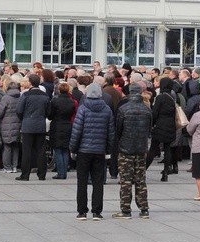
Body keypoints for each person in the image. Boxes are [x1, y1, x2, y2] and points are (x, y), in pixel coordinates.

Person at [69, 83, 115, 221]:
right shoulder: (107, 110)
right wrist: (108, 149)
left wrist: (73, 148)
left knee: (82, 182)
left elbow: (77, 131)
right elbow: (110, 132)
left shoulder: (83, 109)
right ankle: (97, 211)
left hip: (84, 150)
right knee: (98, 182)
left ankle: (82, 211)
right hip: (99, 150)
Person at [113, 82, 152, 219]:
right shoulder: (147, 109)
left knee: (126, 180)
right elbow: (149, 130)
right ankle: (144, 209)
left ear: (129, 92)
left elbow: (118, 129)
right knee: (141, 180)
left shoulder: (123, 109)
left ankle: (125, 210)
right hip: (141, 148)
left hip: (125, 148)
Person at [16, 74, 50, 181]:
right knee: (41, 150)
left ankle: (25, 175)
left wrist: (24, 118)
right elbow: (49, 112)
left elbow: (19, 110)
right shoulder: (45, 96)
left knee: (27, 150)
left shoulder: (25, 95)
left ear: (30, 83)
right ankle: (42, 174)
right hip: (40, 125)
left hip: (27, 125)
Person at [145, 78, 177, 182]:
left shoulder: (161, 97)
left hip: (160, 125)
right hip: (171, 125)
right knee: (167, 149)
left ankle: (143, 170)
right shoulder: (173, 97)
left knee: (153, 149)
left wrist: (152, 124)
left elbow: (155, 113)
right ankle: (166, 173)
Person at [48, 82, 76, 180]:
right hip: (68, 125)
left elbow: (50, 115)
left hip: (57, 125)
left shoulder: (55, 101)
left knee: (58, 149)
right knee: (65, 149)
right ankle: (64, 171)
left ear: (59, 90)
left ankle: (61, 172)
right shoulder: (72, 102)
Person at [0, 80, 22, 173]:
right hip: (18, 124)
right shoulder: (20, 97)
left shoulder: (5, 98)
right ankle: (15, 166)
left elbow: (0, 113)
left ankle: (7, 167)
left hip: (6, 124)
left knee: (7, 146)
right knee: (16, 146)